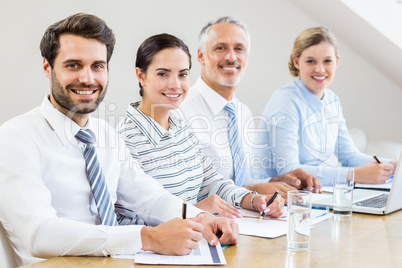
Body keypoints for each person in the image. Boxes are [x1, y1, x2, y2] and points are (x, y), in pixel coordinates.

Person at [0, 13, 238, 266]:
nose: (88, 78)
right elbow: (39, 234)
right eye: (73, 65)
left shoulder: (104, 134)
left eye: (97, 66)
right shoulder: (16, 138)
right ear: (48, 68)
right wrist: (147, 237)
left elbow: (150, 197)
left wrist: (202, 219)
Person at [117, 33, 284, 221]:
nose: (175, 85)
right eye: (163, 73)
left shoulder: (181, 126)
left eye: (183, 74)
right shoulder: (124, 141)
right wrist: (194, 212)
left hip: (197, 240)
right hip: (163, 247)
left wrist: (253, 200)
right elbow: (123, 222)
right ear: (141, 75)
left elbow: (210, 181)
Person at [180, 16, 321, 201]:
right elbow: (185, 192)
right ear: (201, 56)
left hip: (249, 216)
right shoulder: (181, 112)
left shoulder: (242, 112)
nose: (231, 57)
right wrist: (253, 190)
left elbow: (241, 179)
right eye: (220, 48)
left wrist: (275, 181)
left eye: (239, 49)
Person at [253, 26, 396, 185]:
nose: (320, 69)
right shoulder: (285, 101)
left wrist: (392, 166)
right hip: (273, 196)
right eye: (311, 61)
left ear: (337, 62)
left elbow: (349, 156)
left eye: (327, 61)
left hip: (310, 192)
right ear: (296, 62)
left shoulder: (332, 101)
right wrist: (353, 175)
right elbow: (289, 171)